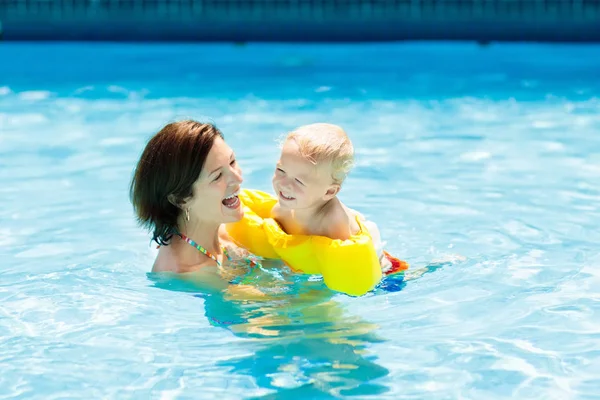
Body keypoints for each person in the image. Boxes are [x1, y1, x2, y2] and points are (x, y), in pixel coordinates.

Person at [130, 120, 261, 286]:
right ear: (181, 199)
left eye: (232, 162)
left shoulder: (223, 227)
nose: (238, 178)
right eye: (218, 176)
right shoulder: (191, 275)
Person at [270, 123, 401, 272]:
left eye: (299, 181)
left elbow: (344, 268)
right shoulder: (280, 211)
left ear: (329, 192)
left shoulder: (333, 223)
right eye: (281, 170)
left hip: (376, 263)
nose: (284, 184)